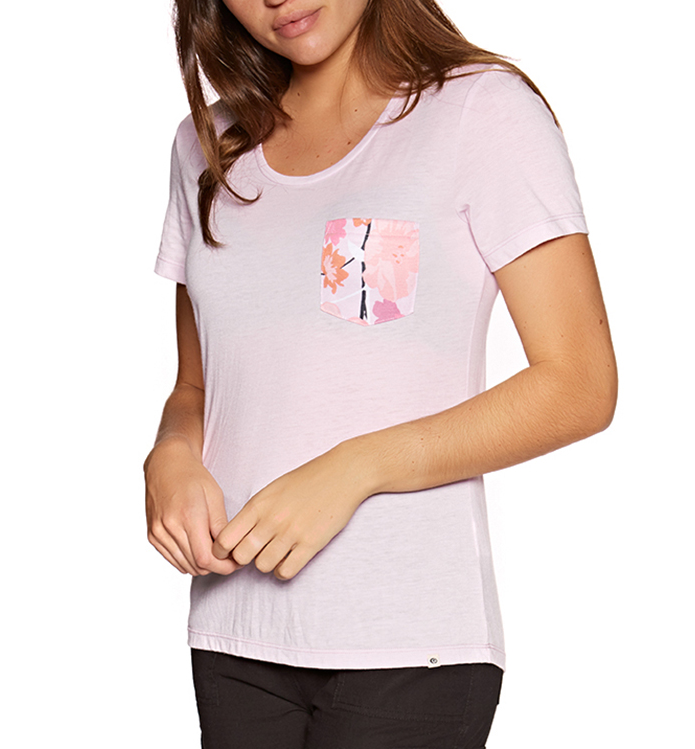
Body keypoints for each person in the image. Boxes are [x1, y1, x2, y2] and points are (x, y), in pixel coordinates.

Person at [144, 1, 618, 746]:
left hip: (410, 644)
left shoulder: (480, 111)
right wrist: (171, 452)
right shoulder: (208, 144)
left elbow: (579, 384)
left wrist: (355, 468)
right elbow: (198, 387)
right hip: (233, 635)